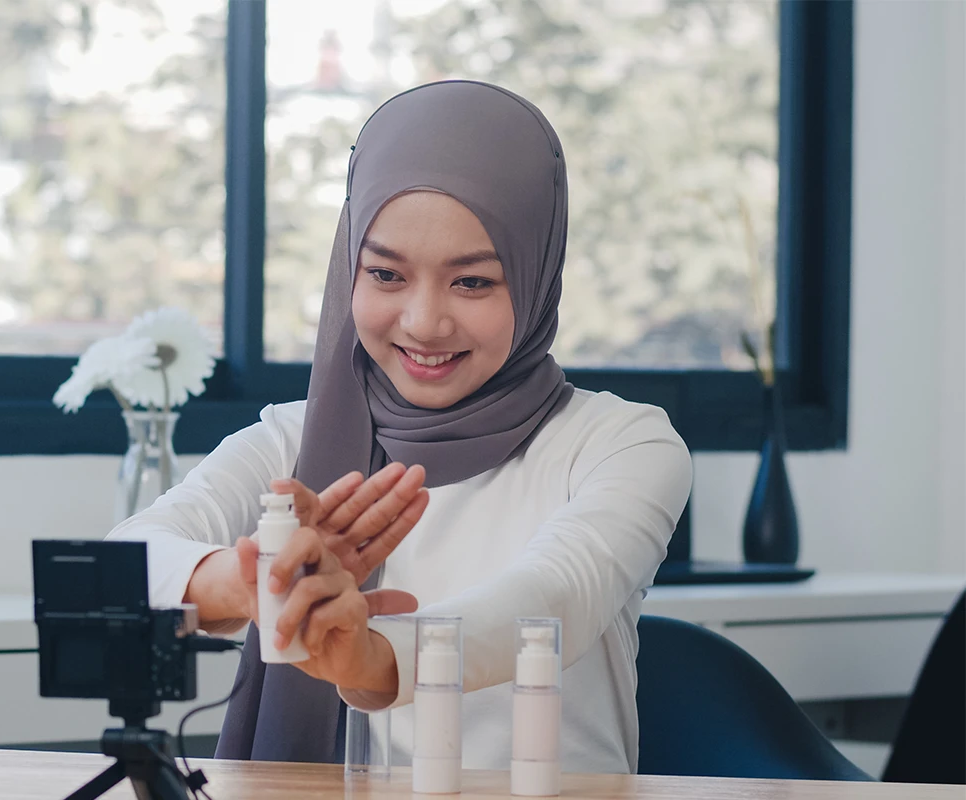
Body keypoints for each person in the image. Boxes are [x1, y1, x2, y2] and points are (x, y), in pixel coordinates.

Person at [107, 80, 692, 773]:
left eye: (472, 282)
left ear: (536, 276)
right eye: (385, 274)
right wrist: (261, 583)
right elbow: (124, 560)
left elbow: (553, 597)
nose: (423, 321)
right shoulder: (290, 442)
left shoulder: (622, 444)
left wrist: (373, 656)